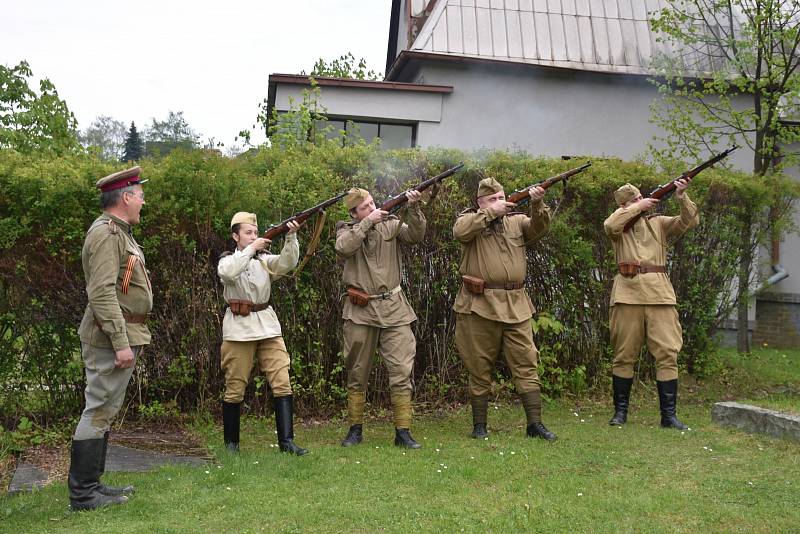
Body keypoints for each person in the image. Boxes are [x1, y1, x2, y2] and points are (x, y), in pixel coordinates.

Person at [69, 166, 151, 511]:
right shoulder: (106, 234)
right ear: (126, 197)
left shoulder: (119, 232)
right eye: (140, 195)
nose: (143, 201)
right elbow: (101, 293)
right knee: (99, 409)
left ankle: (93, 486)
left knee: (105, 410)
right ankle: (83, 495)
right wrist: (120, 342)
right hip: (109, 337)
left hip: (121, 332)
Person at [452, 177, 557, 441]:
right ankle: (479, 426)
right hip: (479, 305)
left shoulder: (516, 221)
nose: (500, 203)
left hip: (516, 303)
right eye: (492, 200)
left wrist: (538, 203)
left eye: (502, 198)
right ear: (480, 203)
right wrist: (488, 214)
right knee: (478, 365)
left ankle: (534, 424)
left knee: (526, 362)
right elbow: (460, 232)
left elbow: (539, 229)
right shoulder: (470, 220)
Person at [603, 178, 698, 430]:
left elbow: (690, 221)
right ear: (623, 205)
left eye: (640, 198)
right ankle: (620, 413)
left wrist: (681, 197)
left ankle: (669, 416)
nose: (639, 203)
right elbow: (610, 224)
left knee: (667, 353)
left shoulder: (657, 223)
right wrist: (636, 207)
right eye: (632, 201)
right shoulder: (618, 225)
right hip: (627, 294)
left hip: (659, 295)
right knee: (624, 354)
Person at [335, 187, 425, 449]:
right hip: (360, 311)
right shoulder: (346, 230)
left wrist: (413, 208)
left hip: (395, 309)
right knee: (357, 372)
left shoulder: (391, 224)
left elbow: (416, 236)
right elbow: (344, 248)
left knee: (401, 369)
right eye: (365, 207)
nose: (373, 208)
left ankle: (403, 431)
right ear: (354, 213)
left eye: (373, 203)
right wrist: (366, 224)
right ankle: (355, 430)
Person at [218, 212, 307, 455]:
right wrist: (251, 249)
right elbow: (228, 274)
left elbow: (287, 264)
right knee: (235, 386)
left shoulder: (263, 260)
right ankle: (231, 446)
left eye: (255, 233)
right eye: (248, 233)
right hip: (238, 328)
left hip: (267, 325)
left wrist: (291, 237)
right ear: (235, 236)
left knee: (282, 381)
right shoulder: (228, 260)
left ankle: (287, 443)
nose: (254, 236)